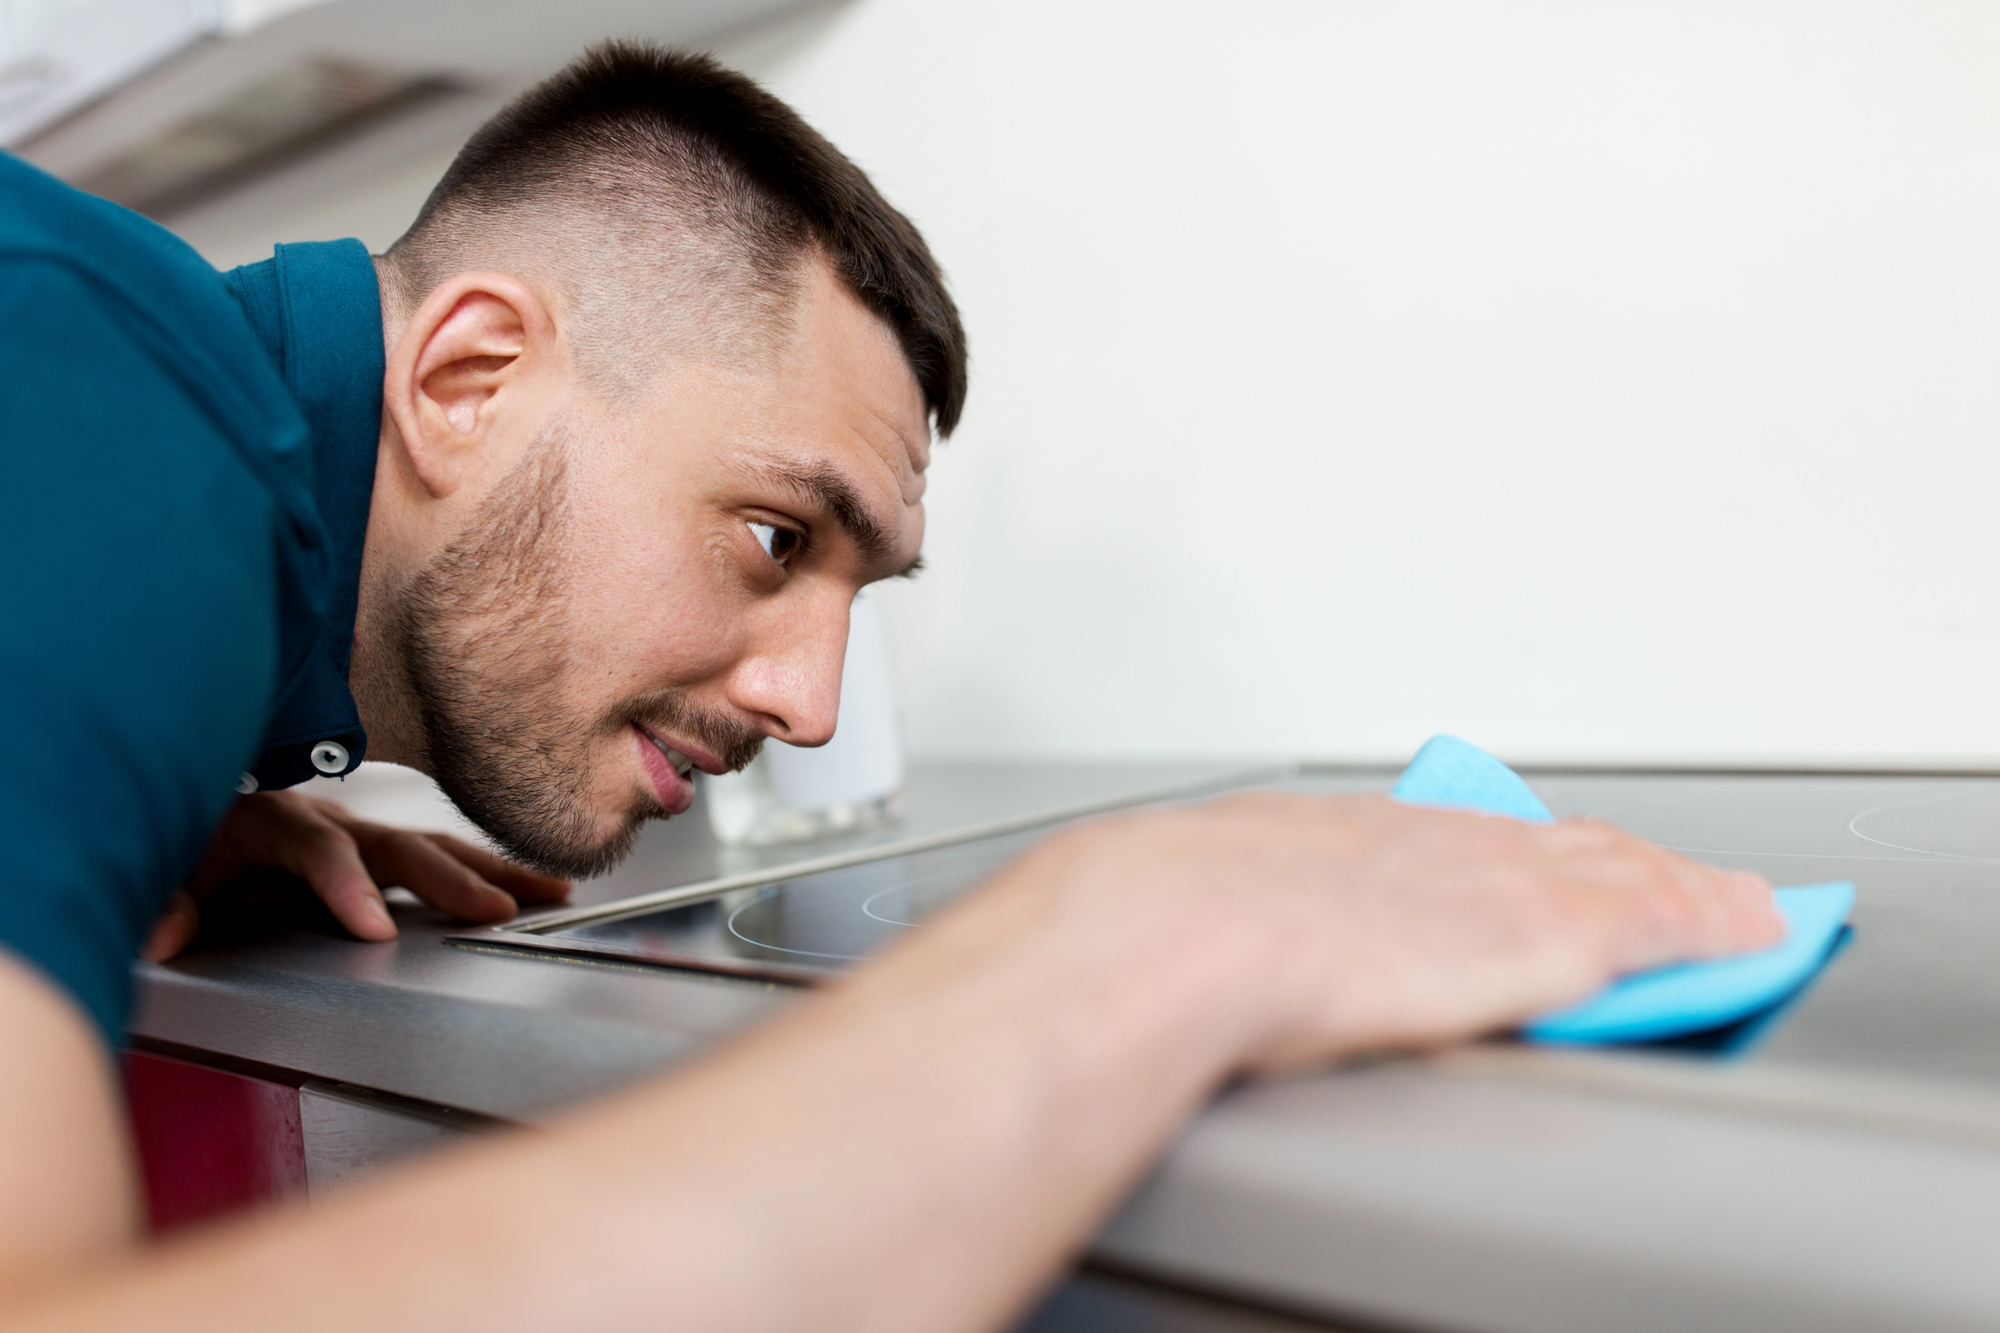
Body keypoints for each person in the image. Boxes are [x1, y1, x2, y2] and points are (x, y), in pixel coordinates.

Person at [0, 40, 1779, 1331]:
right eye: (776, 537)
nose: (811, 704)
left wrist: (147, 786)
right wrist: (1119, 958)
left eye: (861, 589)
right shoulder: (122, 425)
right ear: (468, 377)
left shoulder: (138, 487)